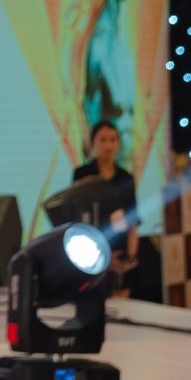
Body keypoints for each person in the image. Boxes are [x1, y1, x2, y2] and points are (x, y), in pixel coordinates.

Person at [71, 120, 139, 288]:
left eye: (113, 140)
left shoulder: (125, 177)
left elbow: (133, 221)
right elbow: (75, 217)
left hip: (119, 254)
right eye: (102, 140)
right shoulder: (83, 174)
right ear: (92, 142)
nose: (108, 146)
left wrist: (130, 257)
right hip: (89, 255)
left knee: (121, 298)